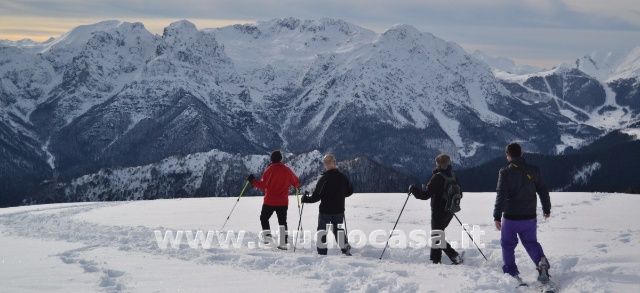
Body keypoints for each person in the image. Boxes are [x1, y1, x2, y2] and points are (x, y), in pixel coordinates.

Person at [493, 143, 552, 284]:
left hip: (510, 218)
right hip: (529, 217)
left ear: (508, 155)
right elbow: (543, 190)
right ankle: (541, 262)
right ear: (522, 153)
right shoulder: (534, 170)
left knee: (507, 244)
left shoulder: (504, 172)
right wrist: (546, 208)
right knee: (531, 242)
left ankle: (511, 273)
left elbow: (501, 195)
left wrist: (496, 216)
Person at [409, 154, 463, 265]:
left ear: (438, 164)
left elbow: (424, 195)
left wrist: (413, 189)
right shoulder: (453, 175)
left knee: (437, 236)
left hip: (438, 212)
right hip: (450, 211)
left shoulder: (437, 177)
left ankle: (452, 256)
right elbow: (460, 194)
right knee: (438, 234)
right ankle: (435, 259)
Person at [301, 154, 353, 256]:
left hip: (326, 211)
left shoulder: (324, 179)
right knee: (338, 230)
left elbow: (316, 197)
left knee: (322, 231)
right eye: (326, 163)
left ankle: (322, 253)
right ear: (335, 162)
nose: (327, 164)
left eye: (327, 163)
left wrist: (305, 199)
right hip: (339, 210)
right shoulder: (343, 177)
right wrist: (341, 195)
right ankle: (345, 248)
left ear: (328, 164)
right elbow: (350, 191)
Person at [247, 150, 300, 250]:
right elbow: (296, 182)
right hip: (283, 202)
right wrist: (296, 186)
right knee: (282, 222)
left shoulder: (269, 170)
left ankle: (268, 239)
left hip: (269, 201)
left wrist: (252, 181)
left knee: (264, 218)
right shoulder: (287, 170)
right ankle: (283, 243)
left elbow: (262, 186)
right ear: (281, 159)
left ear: (271, 159)